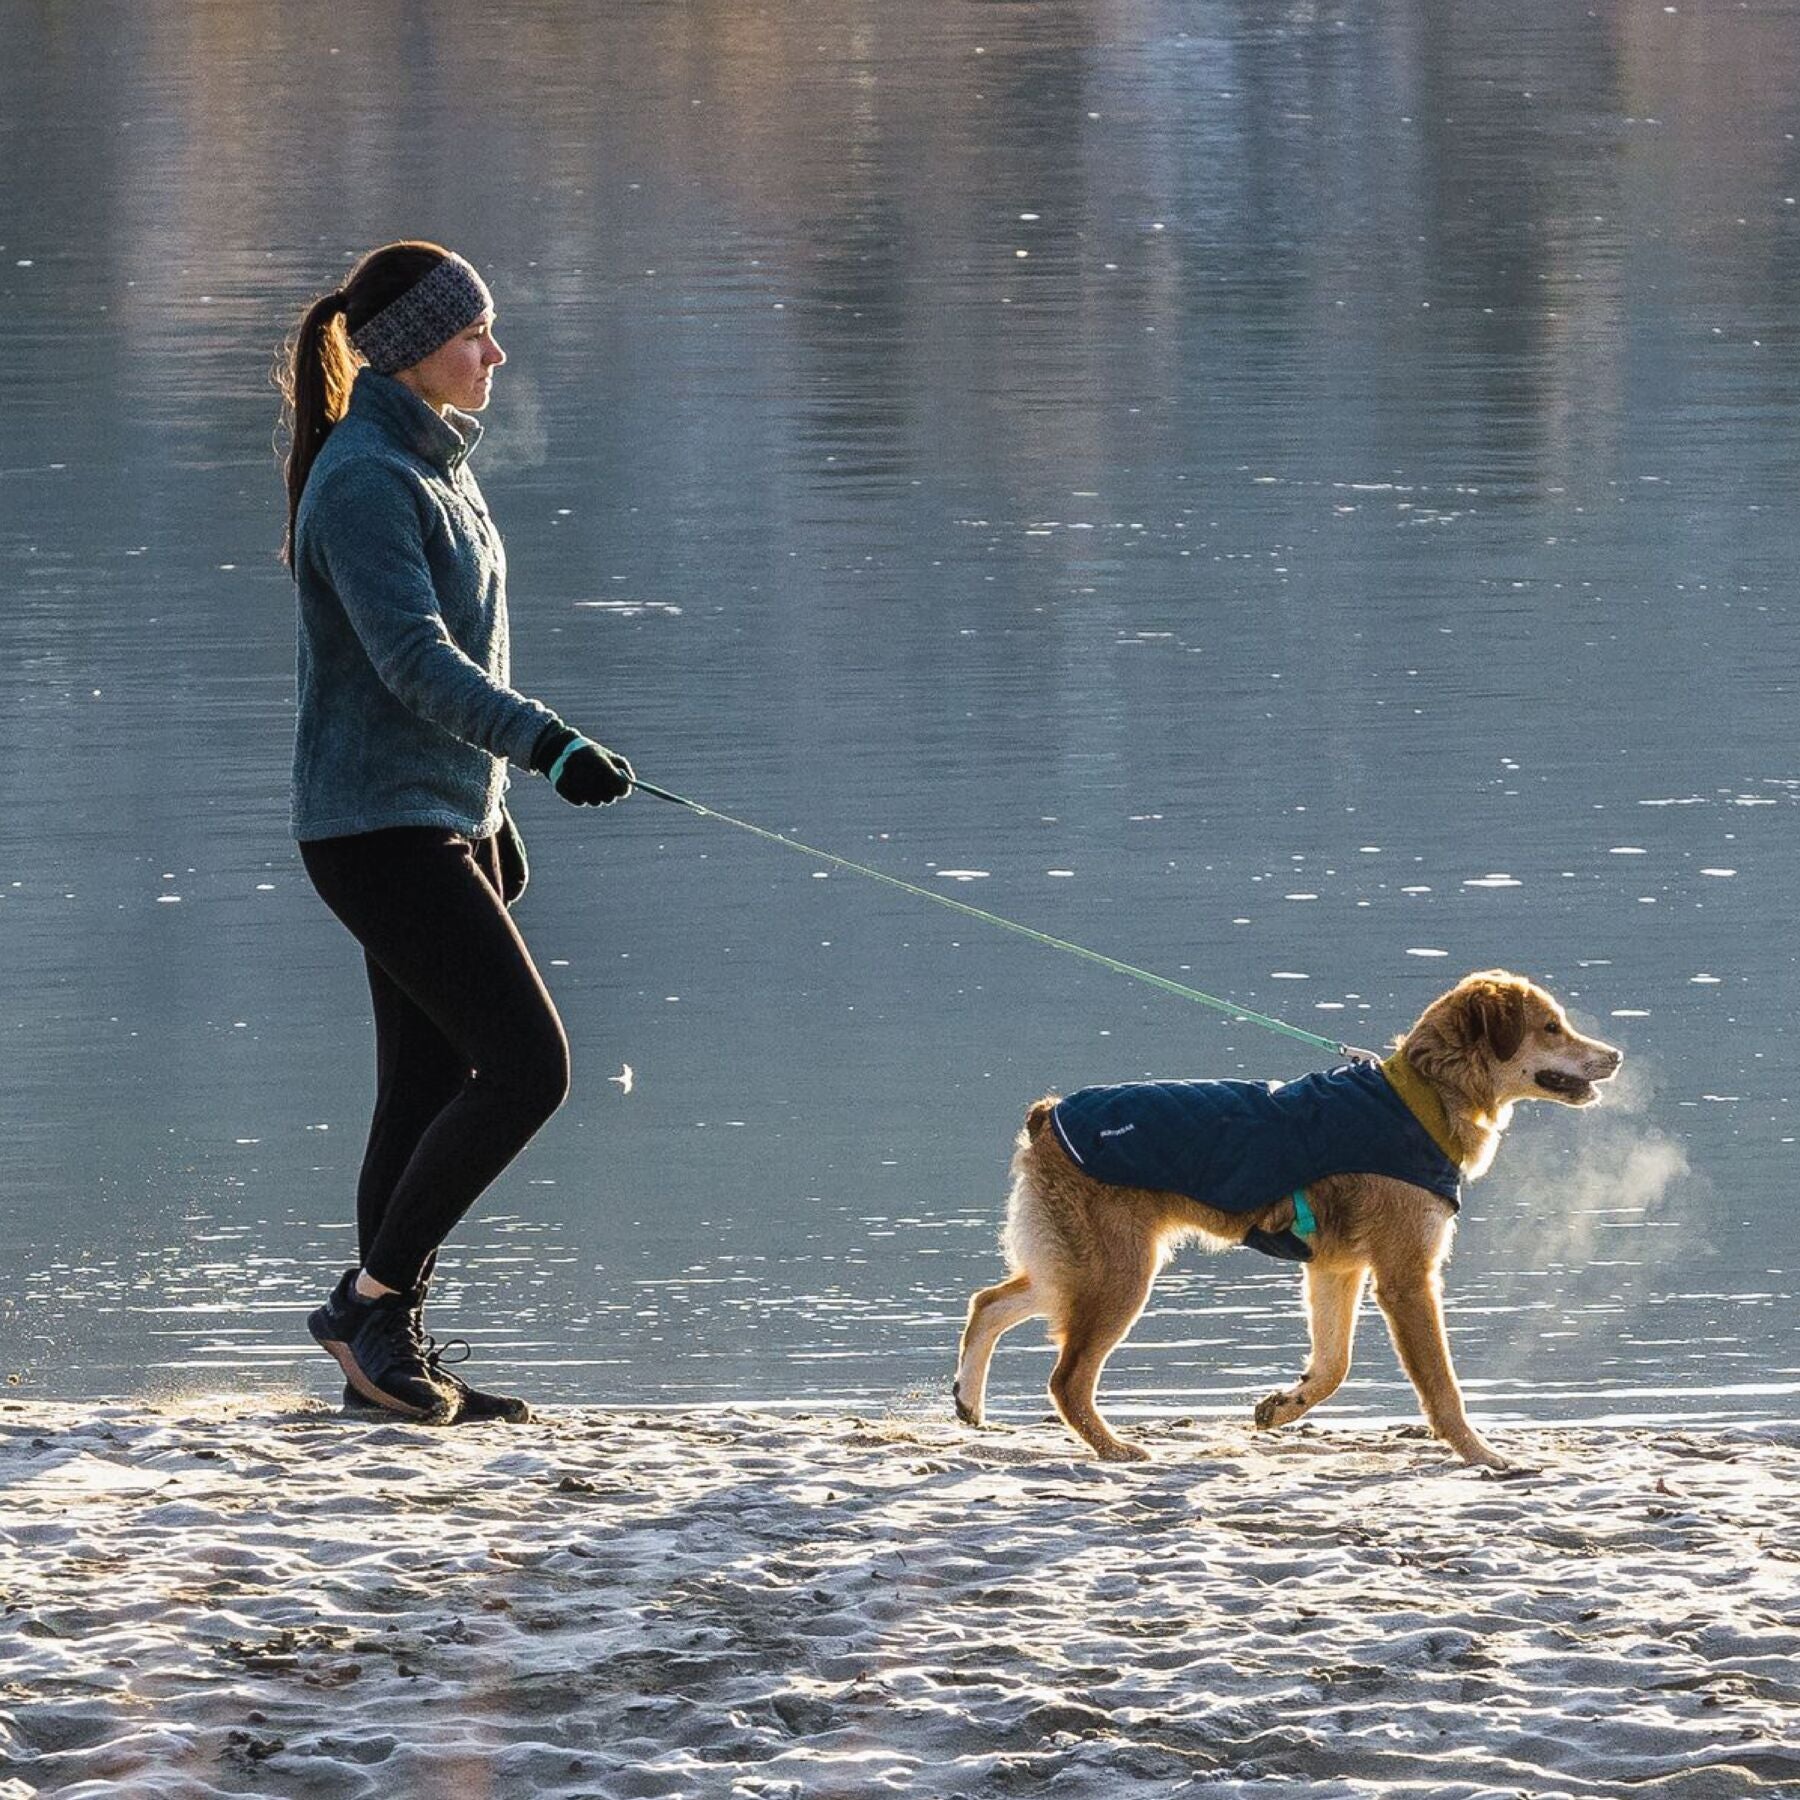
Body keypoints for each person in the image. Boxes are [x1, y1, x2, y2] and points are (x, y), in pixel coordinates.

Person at [277, 240, 634, 1424]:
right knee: (530, 1066)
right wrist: (551, 744)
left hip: (438, 815)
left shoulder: (433, 460)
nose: (495, 351)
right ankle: (368, 1305)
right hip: (373, 828)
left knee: (424, 1080)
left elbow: (460, 661)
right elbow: (416, 664)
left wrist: (495, 809)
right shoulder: (367, 480)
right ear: (413, 348)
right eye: (475, 332)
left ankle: (387, 1350)